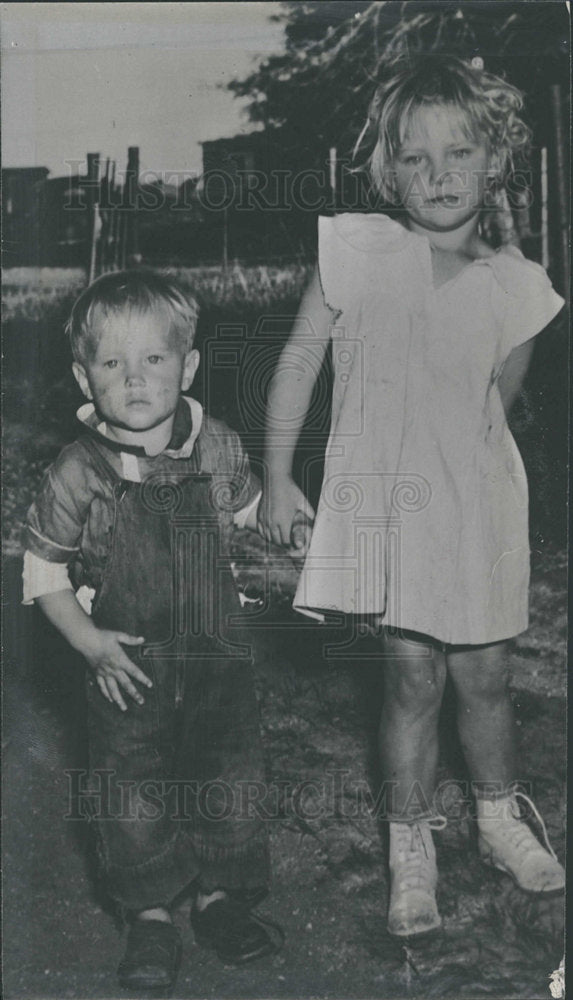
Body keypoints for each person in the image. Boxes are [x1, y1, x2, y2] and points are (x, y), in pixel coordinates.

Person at [260, 54, 565, 940]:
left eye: (458, 153)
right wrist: (278, 476)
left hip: (473, 517)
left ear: (494, 161)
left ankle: (500, 820)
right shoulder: (354, 252)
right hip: (386, 515)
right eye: (415, 157)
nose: (437, 175)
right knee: (410, 675)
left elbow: (489, 416)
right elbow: (294, 365)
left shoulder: (519, 287)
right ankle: (409, 846)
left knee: (485, 673)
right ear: (385, 168)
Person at [23, 270, 282, 991]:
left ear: (188, 366)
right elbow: (42, 573)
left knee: (226, 776)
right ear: (85, 376)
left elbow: (252, 510)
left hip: (217, 662)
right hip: (125, 665)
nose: (135, 379)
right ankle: (149, 914)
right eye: (113, 364)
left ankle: (220, 895)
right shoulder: (78, 472)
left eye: (154, 360)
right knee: (130, 787)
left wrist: (288, 517)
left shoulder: (217, 448)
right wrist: (89, 643)